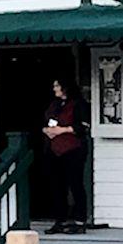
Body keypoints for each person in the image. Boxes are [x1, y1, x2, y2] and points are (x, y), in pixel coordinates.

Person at [41, 77, 89, 235]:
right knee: (57, 185)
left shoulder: (78, 104)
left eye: (57, 85)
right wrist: (47, 130)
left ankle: (80, 220)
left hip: (73, 149)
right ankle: (60, 220)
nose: (54, 88)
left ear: (65, 87)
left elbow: (82, 127)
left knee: (75, 184)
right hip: (55, 150)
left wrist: (62, 130)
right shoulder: (55, 105)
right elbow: (48, 121)